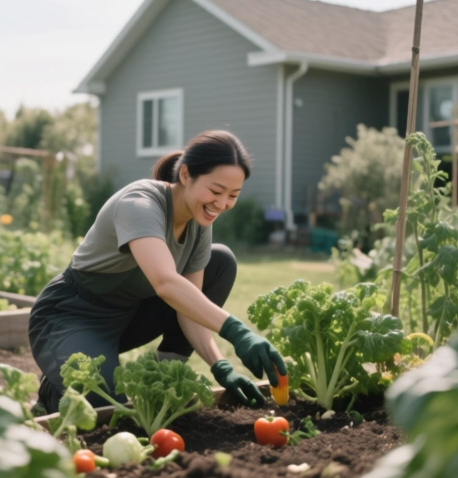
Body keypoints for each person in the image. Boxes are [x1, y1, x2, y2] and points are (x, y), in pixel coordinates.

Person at [28, 130, 286, 414]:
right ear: (186, 175)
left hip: (127, 317)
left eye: (232, 195)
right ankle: (52, 391)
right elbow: (165, 282)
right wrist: (238, 332)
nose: (222, 204)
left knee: (220, 262)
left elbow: (190, 306)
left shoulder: (199, 222)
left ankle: (165, 374)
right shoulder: (139, 204)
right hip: (70, 315)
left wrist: (220, 366)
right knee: (106, 404)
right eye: (215, 191)